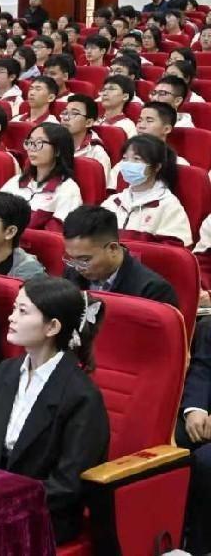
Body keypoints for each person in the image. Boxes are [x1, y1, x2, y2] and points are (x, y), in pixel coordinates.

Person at [0, 277, 109, 544]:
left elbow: (68, 482)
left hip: (44, 513)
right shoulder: (6, 371)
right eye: (14, 308)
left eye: (23, 311)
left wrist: (8, 501)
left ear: (52, 327)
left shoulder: (81, 395)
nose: (11, 318)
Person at [61, 205, 177, 304]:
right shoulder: (72, 273)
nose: (77, 267)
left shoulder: (152, 291)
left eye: (85, 260)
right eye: (71, 258)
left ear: (113, 248)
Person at [100, 135, 191, 246]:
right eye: (125, 158)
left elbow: (174, 249)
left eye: (136, 159)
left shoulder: (168, 205)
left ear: (156, 167)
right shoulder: (113, 201)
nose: (128, 164)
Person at [0, 123, 82, 232]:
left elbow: (55, 235)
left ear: (58, 150)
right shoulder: (17, 181)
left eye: (39, 143)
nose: (31, 148)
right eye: (30, 142)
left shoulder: (68, 190)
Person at [178, 319, 211, 554]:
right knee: (165, 442)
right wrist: (194, 408)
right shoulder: (209, 327)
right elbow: (202, 369)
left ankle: (199, 546)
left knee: (206, 462)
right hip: (205, 415)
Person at [59, 94, 111, 179]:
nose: (65, 118)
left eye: (74, 113)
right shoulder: (52, 144)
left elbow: (99, 185)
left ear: (88, 122)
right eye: (65, 113)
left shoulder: (97, 155)